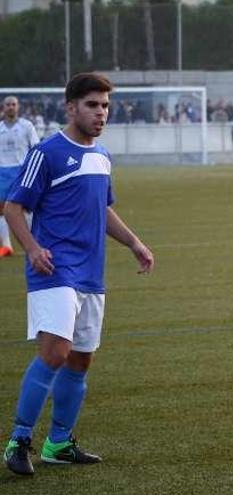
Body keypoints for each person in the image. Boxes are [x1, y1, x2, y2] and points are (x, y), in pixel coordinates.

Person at [3, 72, 155, 477]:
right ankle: (19, 440)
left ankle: (59, 443)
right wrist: (32, 249)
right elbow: (13, 207)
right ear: (70, 108)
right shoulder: (48, 152)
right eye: (92, 105)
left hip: (91, 272)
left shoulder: (103, 156)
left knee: (81, 360)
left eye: (105, 105)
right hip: (53, 268)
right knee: (55, 352)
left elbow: (102, 208)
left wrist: (135, 243)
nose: (101, 112)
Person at [0, 96, 40, 257]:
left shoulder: (27, 126)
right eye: (8, 105)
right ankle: (6, 246)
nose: (11, 107)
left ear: (18, 107)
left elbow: (36, 147)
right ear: (3, 107)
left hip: (22, 171)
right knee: (1, 209)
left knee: (26, 208)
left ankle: (33, 242)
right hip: (2, 171)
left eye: (13, 104)